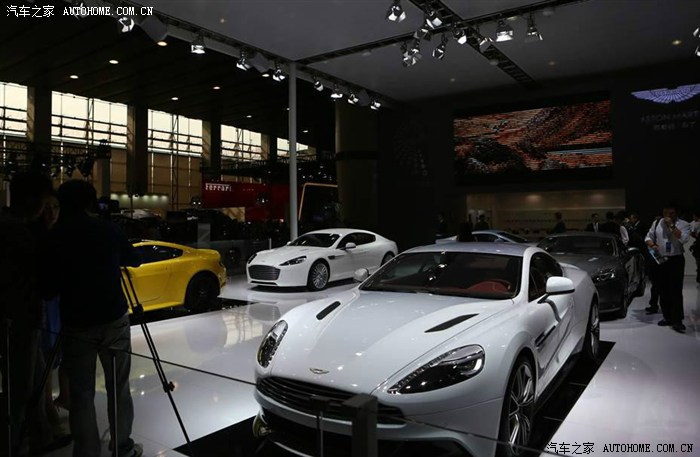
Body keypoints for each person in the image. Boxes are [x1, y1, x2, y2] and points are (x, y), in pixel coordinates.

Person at [45, 180, 143, 457]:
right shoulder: (107, 229)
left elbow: (48, 288)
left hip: (76, 323)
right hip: (113, 319)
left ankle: (86, 450)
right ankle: (122, 446)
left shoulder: (56, 235)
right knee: (118, 387)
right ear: (91, 203)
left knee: (81, 393)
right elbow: (134, 259)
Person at [0, 171, 69, 456]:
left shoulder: (12, 226)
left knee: (37, 381)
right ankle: (15, 444)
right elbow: (43, 282)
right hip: (20, 321)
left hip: (26, 320)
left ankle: (41, 436)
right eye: (43, 203)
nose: (46, 211)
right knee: (22, 387)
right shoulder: (19, 234)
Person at [644, 203, 691, 333]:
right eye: (665, 213)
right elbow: (648, 236)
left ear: (676, 213)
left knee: (675, 290)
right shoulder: (657, 223)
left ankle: (677, 320)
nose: (667, 216)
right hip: (660, 259)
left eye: (671, 213)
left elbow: (684, 239)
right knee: (662, 289)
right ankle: (667, 317)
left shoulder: (684, 224)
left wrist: (671, 225)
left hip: (676, 260)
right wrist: (652, 245)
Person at [690, 210, 700, 284]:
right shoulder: (695, 223)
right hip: (698, 244)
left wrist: (696, 237)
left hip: (698, 245)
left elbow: (692, 233)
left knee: (698, 261)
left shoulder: (696, 224)